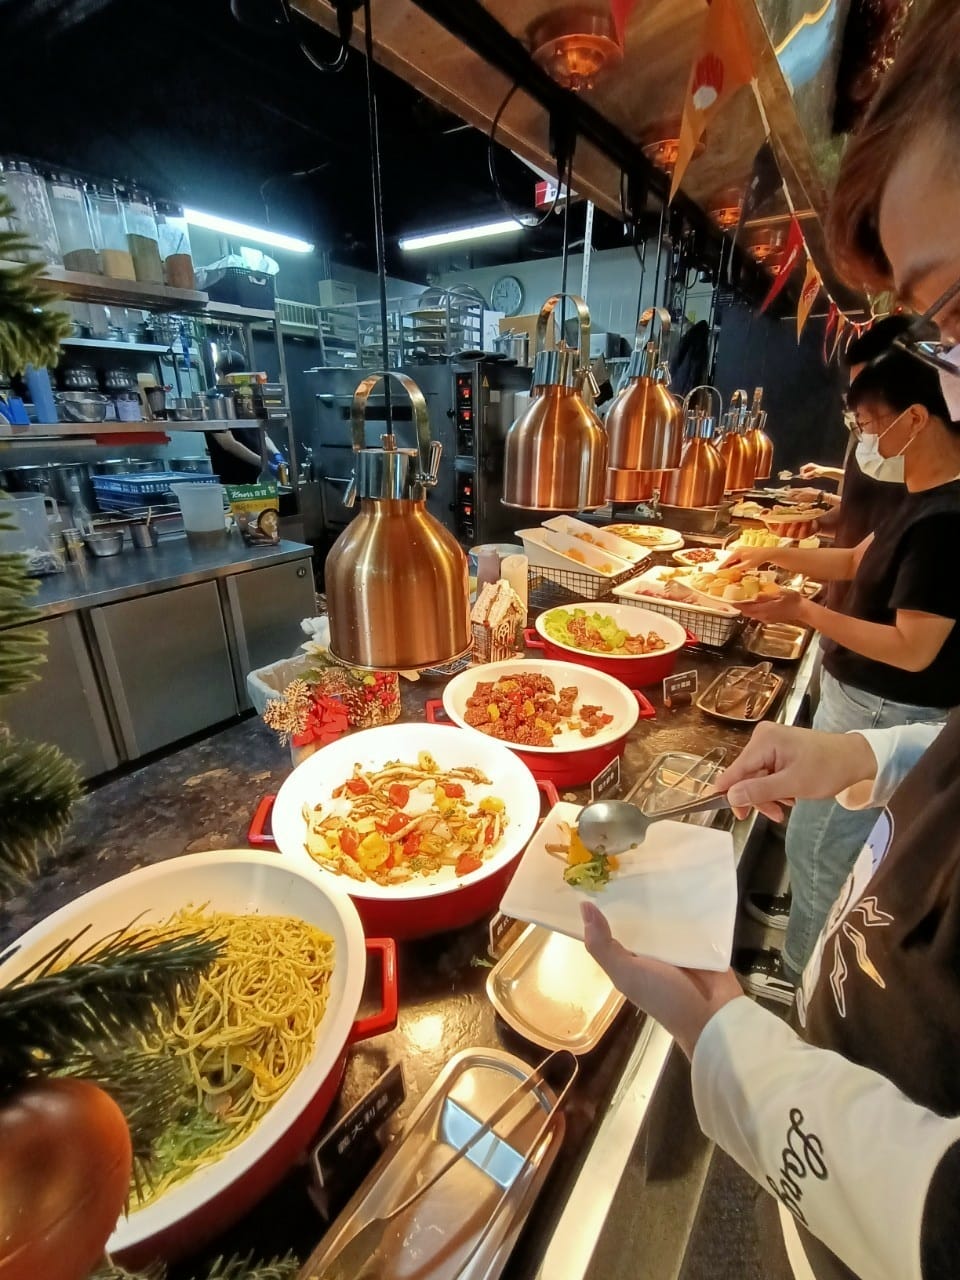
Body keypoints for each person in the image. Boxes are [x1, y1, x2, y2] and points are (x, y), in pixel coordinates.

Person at [583, 2, 960, 1274]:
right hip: (835, 1109)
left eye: (951, 307)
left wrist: (722, 1026)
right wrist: (870, 761)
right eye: (940, 328)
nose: (949, 364)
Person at [726, 347, 960, 997]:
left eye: (869, 423)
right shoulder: (921, 492)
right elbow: (857, 560)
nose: (865, 440)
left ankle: (800, 984)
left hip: (884, 711)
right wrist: (770, 553)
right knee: (812, 837)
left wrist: (802, 610)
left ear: (917, 418)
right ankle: (802, 918)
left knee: (825, 848)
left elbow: (913, 649)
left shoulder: (947, 523)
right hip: (859, 698)